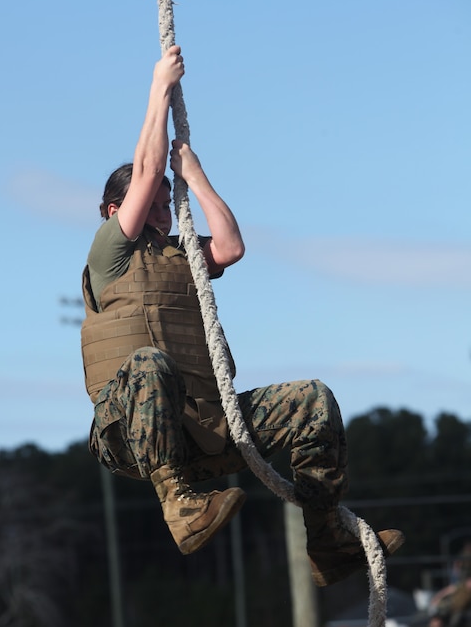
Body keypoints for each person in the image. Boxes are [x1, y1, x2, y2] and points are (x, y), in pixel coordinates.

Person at [81, 45, 404, 586]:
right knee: (148, 364)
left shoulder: (181, 256)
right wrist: (160, 87)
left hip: (201, 431)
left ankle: (326, 541)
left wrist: (196, 178)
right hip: (130, 433)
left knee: (312, 401)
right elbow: (143, 171)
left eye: (166, 203)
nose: (161, 212)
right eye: (150, 203)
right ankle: (181, 510)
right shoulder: (108, 253)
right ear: (113, 211)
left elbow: (229, 248)